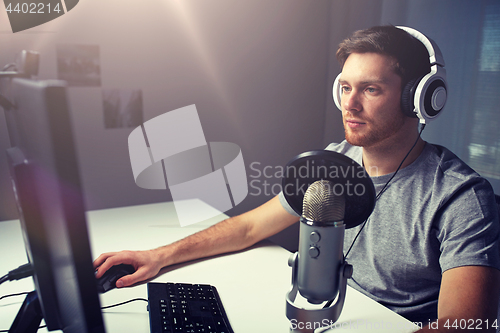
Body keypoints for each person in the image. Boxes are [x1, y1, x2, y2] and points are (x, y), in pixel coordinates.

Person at [94, 25, 500, 331]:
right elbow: (251, 226)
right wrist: (158, 256)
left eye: (371, 89)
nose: (350, 104)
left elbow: (466, 326)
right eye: (345, 87)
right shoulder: (333, 163)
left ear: (420, 97)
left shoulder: (460, 196)